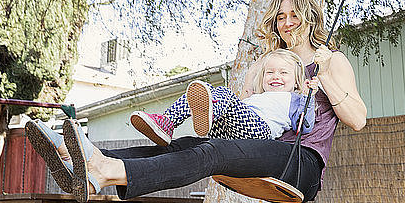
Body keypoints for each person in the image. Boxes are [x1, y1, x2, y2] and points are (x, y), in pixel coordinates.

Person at [25, 0, 368, 203]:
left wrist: (324, 75)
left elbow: (357, 119)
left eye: (295, 15)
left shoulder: (332, 60)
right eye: (281, 18)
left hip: (300, 163)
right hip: (263, 147)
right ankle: (79, 156)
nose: (287, 23)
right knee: (186, 145)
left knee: (214, 150)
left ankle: (105, 172)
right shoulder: (269, 65)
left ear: (310, 17)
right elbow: (248, 115)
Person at [129, 49, 317, 146]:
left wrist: (311, 97)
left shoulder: (296, 99)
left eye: (283, 72)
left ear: (296, 81)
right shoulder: (258, 98)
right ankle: (168, 122)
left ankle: (209, 111)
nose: (276, 76)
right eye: (270, 72)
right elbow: (240, 108)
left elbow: (306, 127)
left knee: (225, 95)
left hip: (259, 133)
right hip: (228, 134)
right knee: (207, 91)